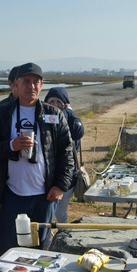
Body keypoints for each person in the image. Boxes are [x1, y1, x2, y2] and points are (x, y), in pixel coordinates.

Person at [0, 62, 74, 259]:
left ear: (41, 85)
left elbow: (67, 152)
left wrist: (60, 185)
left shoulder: (54, 114)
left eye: (35, 82)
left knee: (40, 251)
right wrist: (11, 146)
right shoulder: (2, 113)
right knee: (9, 250)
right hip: (11, 194)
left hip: (44, 196)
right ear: (16, 84)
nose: (30, 86)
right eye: (25, 81)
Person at [43, 86, 85, 223]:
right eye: (51, 102)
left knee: (59, 214)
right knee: (46, 214)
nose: (54, 105)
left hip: (66, 177)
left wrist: (69, 112)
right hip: (47, 176)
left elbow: (78, 131)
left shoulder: (71, 121)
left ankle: (64, 241)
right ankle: (47, 243)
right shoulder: (43, 119)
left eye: (58, 102)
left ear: (65, 104)